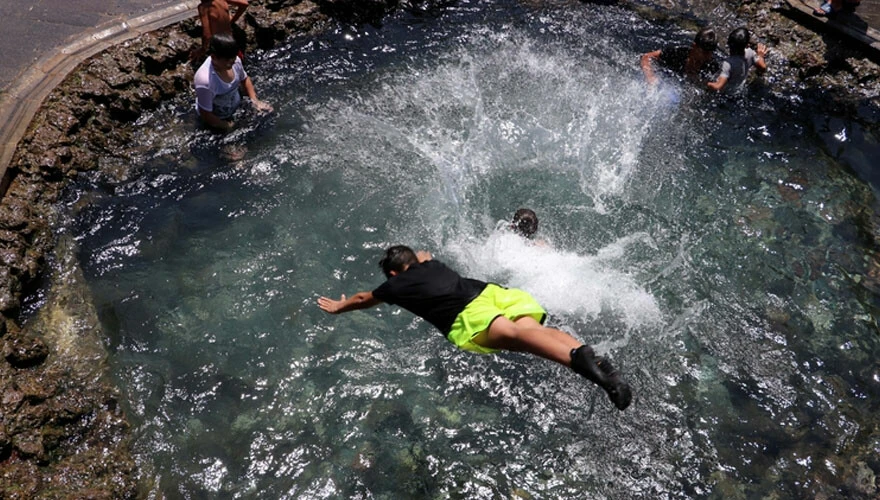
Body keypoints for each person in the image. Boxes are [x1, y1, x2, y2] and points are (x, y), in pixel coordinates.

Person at [317, 245, 633, 411]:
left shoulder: (397, 284)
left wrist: (339, 306)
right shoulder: (429, 263)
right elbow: (423, 254)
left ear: (394, 273)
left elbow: (363, 298)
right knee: (532, 331)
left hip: (470, 313)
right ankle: (588, 356)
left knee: (518, 338)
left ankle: (586, 365)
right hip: (496, 294)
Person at [193, 33, 272, 131]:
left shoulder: (235, 61)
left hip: (236, 106)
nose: (232, 62)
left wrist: (255, 101)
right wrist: (227, 126)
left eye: (233, 57)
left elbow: (245, 79)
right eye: (227, 60)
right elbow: (206, 114)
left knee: (269, 114)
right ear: (214, 57)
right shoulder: (205, 80)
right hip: (216, 119)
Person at [640, 27, 720, 85]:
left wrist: (700, 83)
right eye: (704, 52)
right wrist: (650, 77)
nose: (708, 56)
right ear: (694, 47)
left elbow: (714, 86)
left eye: (710, 53)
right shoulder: (678, 53)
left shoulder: (712, 67)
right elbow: (646, 57)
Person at [707, 28, 768, 94]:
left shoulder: (728, 64)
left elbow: (718, 86)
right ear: (747, 45)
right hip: (738, 89)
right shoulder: (750, 53)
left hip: (725, 93)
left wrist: (706, 84)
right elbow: (763, 68)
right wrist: (760, 56)